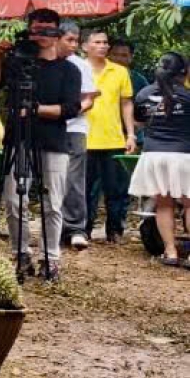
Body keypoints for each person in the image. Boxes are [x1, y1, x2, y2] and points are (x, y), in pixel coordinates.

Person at [0, 9, 82, 281]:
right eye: (37, 30)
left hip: (53, 141)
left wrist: (36, 110)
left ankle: (50, 258)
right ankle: (21, 253)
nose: (43, 36)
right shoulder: (17, 62)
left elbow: (71, 108)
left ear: (57, 33)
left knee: (53, 203)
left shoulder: (68, 69)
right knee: (15, 201)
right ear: (29, 30)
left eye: (49, 30)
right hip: (18, 138)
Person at [129, 52, 190, 268]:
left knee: (163, 203)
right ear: (184, 73)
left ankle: (171, 252)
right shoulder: (187, 96)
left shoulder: (144, 94)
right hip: (183, 154)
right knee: (189, 203)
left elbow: (138, 122)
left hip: (154, 154)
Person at [83, 31, 137, 244]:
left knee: (116, 189)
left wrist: (130, 134)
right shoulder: (78, 68)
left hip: (113, 138)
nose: (103, 46)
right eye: (97, 42)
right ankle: (83, 230)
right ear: (85, 46)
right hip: (84, 138)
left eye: (105, 42)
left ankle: (114, 232)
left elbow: (126, 102)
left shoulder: (120, 71)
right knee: (85, 189)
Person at [57, 21, 99, 251]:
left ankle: (75, 228)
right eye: (69, 40)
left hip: (74, 126)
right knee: (51, 177)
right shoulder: (45, 63)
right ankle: (54, 225)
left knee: (73, 178)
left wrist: (71, 111)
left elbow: (89, 98)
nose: (73, 45)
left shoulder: (80, 65)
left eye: (76, 40)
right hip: (49, 125)